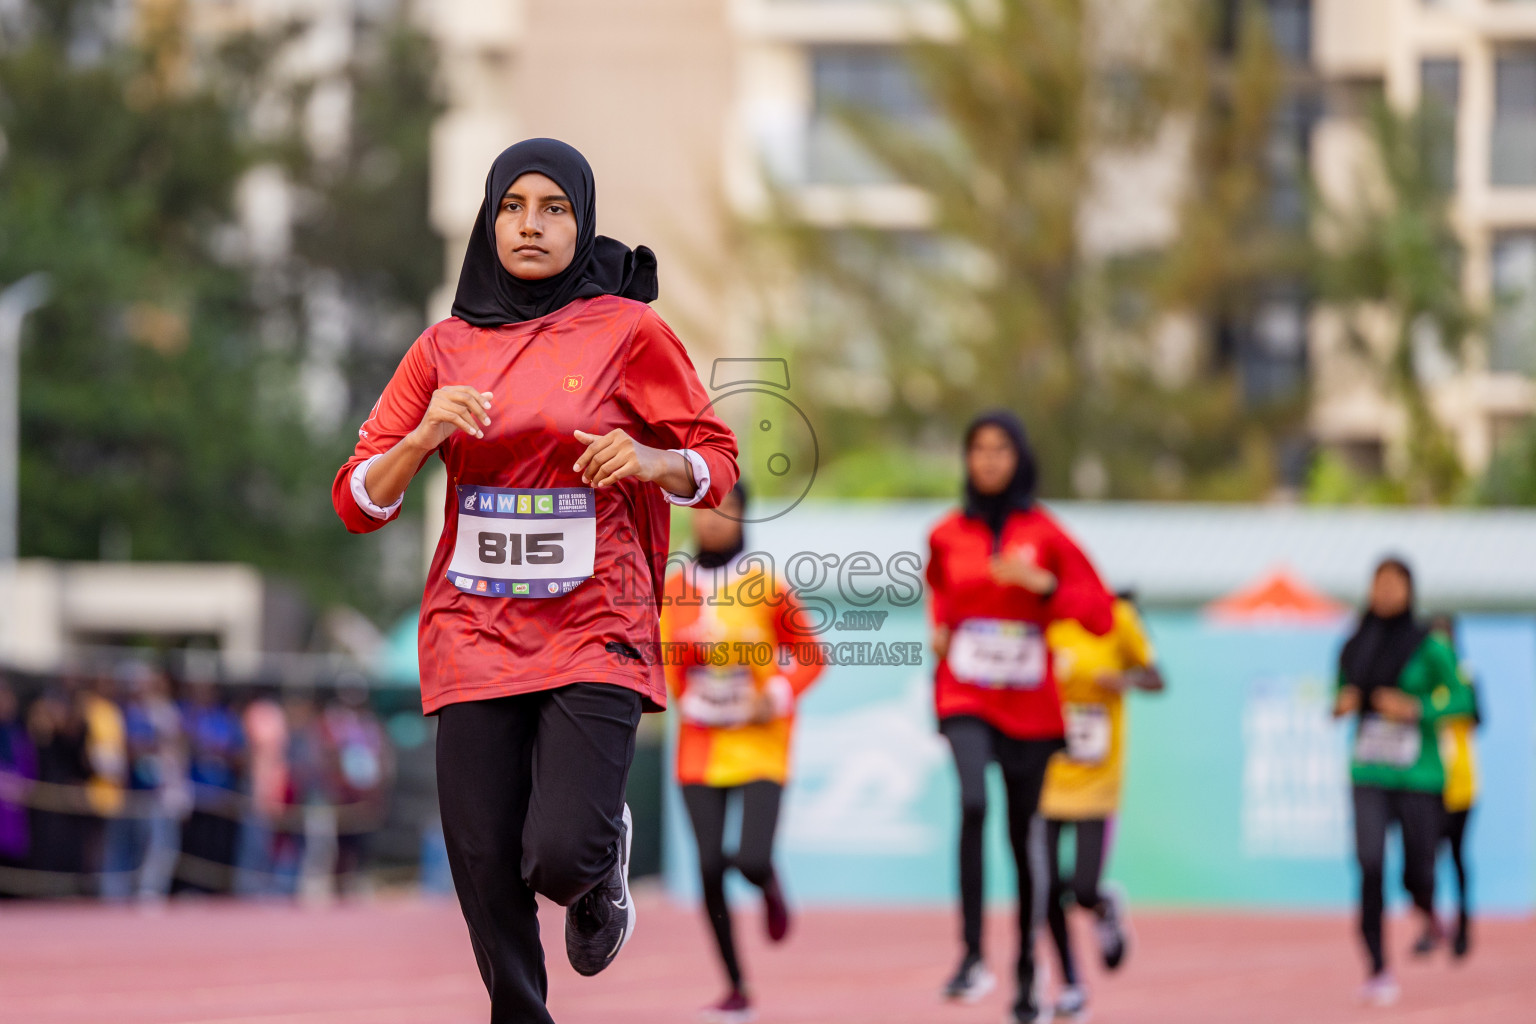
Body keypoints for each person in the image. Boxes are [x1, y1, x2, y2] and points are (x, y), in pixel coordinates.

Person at [330, 138, 738, 1023]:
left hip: (596, 623)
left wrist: (649, 457)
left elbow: (718, 462)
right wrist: (420, 440)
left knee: (558, 850)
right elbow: (357, 500)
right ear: (488, 219)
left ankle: (600, 864)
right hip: (472, 629)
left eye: (554, 208)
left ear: (582, 222)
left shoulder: (629, 332)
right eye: (513, 205)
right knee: (482, 858)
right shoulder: (442, 348)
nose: (531, 224)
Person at [926, 411, 1114, 1024]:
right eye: (977, 448)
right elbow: (941, 595)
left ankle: (1030, 974)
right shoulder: (946, 534)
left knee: (1022, 840)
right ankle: (973, 954)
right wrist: (942, 633)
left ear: (1019, 457)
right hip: (966, 695)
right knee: (974, 801)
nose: (988, 460)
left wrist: (1043, 586)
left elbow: (1101, 614)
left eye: (1000, 449)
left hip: (1030, 708)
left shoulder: (1047, 533)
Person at [659, 482, 823, 1023]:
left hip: (760, 743)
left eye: (726, 509)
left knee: (750, 858)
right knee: (707, 867)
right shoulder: (676, 587)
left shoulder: (766, 584)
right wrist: (690, 690)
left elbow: (810, 656)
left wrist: (774, 694)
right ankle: (735, 985)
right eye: (704, 509)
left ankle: (768, 881)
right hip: (702, 745)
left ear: (744, 516)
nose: (713, 519)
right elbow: (666, 663)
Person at [1333, 558, 1471, 1007]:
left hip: (1419, 775)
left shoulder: (1430, 646)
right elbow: (1340, 690)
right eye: (1379, 584)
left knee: (1419, 870)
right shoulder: (1355, 644)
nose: (1386, 593)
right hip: (1369, 770)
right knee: (1369, 863)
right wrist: (1344, 703)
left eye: (1395, 584)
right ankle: (1377, 965)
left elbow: (1462, 698)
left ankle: (1428, 908)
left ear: (1410, 591)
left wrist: (1417, 709)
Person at [1039, 591, 1164, 1020]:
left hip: (1098, 780)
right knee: (1045, 888)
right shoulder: (1043, 619)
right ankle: (1070, 984)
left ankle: (1103, 904)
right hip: (1046, 776)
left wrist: (1123, 680)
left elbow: (1156, 677)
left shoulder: (1119, 618)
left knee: (1084, 886)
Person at [1424, 613, 1479, 960]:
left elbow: (1475, 716)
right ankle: (1430, 925)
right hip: (1428, 780)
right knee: (1425, 859)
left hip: (1460, 782)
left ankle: (1463, 926)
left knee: (1457, 857)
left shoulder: (1465, 677)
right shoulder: (1423, 681)